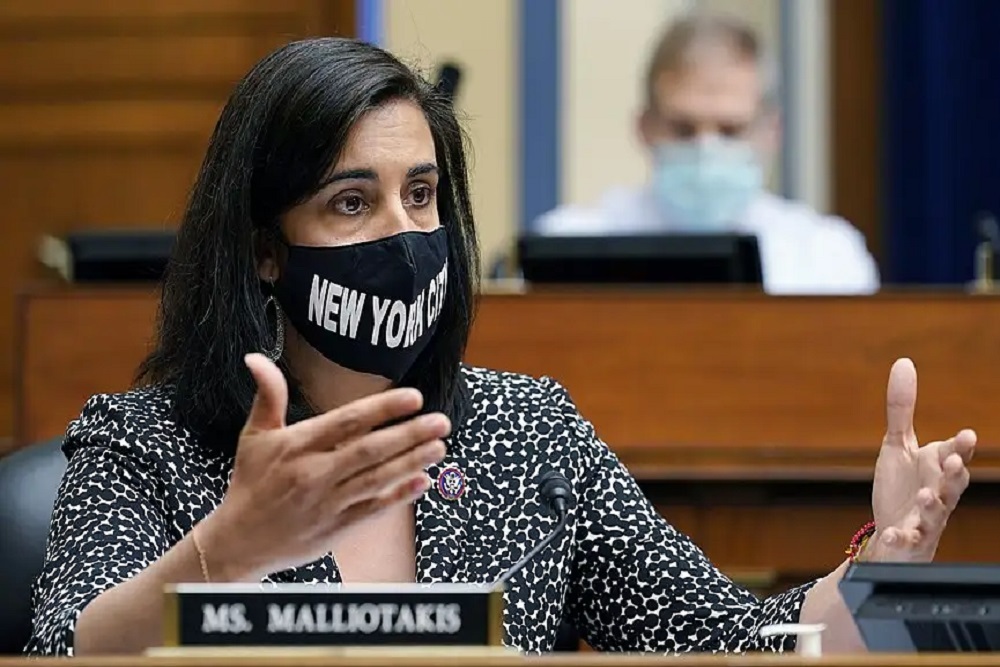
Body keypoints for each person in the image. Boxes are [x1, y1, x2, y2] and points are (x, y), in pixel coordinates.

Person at [26, 37, 974, 657]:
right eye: (351, 202)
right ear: (266, 249)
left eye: (422, 194)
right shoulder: (145, 443)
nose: (405, 233)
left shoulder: (528, 430)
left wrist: (880, 567)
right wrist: (226, 551)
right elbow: (65, 649)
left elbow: (723, 641)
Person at [532, 15, 880, 296]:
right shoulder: (568, 245)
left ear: (772, 132)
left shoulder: (826, 259)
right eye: (683, 129)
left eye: (730, 130)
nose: (706, 150)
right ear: (644, 127)